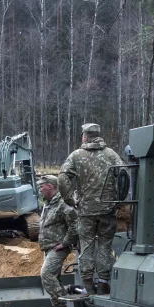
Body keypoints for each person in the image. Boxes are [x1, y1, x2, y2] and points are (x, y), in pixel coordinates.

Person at [59, 123, 121, 295]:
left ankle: (88, 285)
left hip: (86, 211)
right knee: (105, 246)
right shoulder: (111, 155)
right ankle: (102, 283)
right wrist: (119, 199)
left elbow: (62, 178)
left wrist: (70, 200)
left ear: (85, 136)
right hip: (107, 210)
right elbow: (125, 175)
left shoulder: (76, 156)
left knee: (86, 246)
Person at [36, 175, 79, 307]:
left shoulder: (63, 203)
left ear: (50, 186)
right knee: (54, 277)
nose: (40, 189)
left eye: (42, 186)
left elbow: (75, 224)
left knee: (47, 274)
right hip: (49, 247)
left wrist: (65, 242)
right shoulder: (48, 203)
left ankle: (62, 305)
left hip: (58, 247)